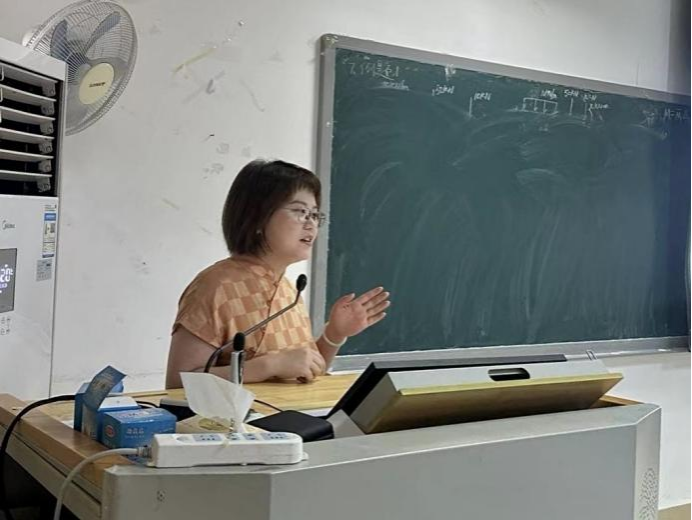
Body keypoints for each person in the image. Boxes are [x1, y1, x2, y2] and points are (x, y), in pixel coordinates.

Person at [165, 159, 390, 388]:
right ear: (258, 216)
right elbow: (178, 384)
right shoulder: (215, 286)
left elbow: (304, 372)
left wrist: (334, 334)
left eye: (314, 215)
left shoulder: (288, 291)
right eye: (300, 211)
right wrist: (267, 366)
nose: (311, 224)